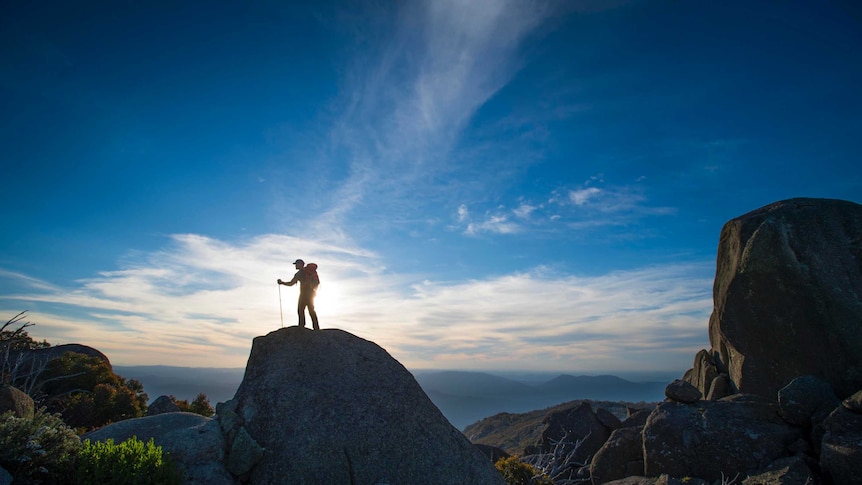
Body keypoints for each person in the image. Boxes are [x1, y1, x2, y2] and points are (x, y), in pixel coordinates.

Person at [277, 259, 319, 330]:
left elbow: (291, 283)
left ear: (300, 264)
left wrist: (282, 283)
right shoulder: (310, 272)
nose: (295, 266)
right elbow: (317, 282)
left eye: (296, 264)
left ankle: (301, 326)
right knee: (311, 310)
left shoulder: (299, 274)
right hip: (311, 293)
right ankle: (316, 328)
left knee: (300, 310)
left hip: (304, 294)